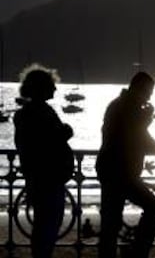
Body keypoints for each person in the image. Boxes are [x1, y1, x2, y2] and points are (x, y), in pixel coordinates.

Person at [95, 71, 155, 258]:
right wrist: (149, 119)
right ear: (140, 88)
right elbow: (135, 135)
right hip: (120, 172)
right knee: (153, 207)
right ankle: (138, 252)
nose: (150, 96)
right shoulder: (127, 108)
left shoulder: (119, 105)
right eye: (149, 91)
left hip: (113, 170)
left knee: (111, 223)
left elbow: (140, 137)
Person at [13, 68, 75, 258]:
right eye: (51, 85)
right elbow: (50, 139)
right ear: (41, 88)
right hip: (48, 179)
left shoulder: (28, 114)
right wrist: (66, 131)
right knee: (47, 227)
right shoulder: (39, 113)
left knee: (43, 226)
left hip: (42, 179)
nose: (55, 89)